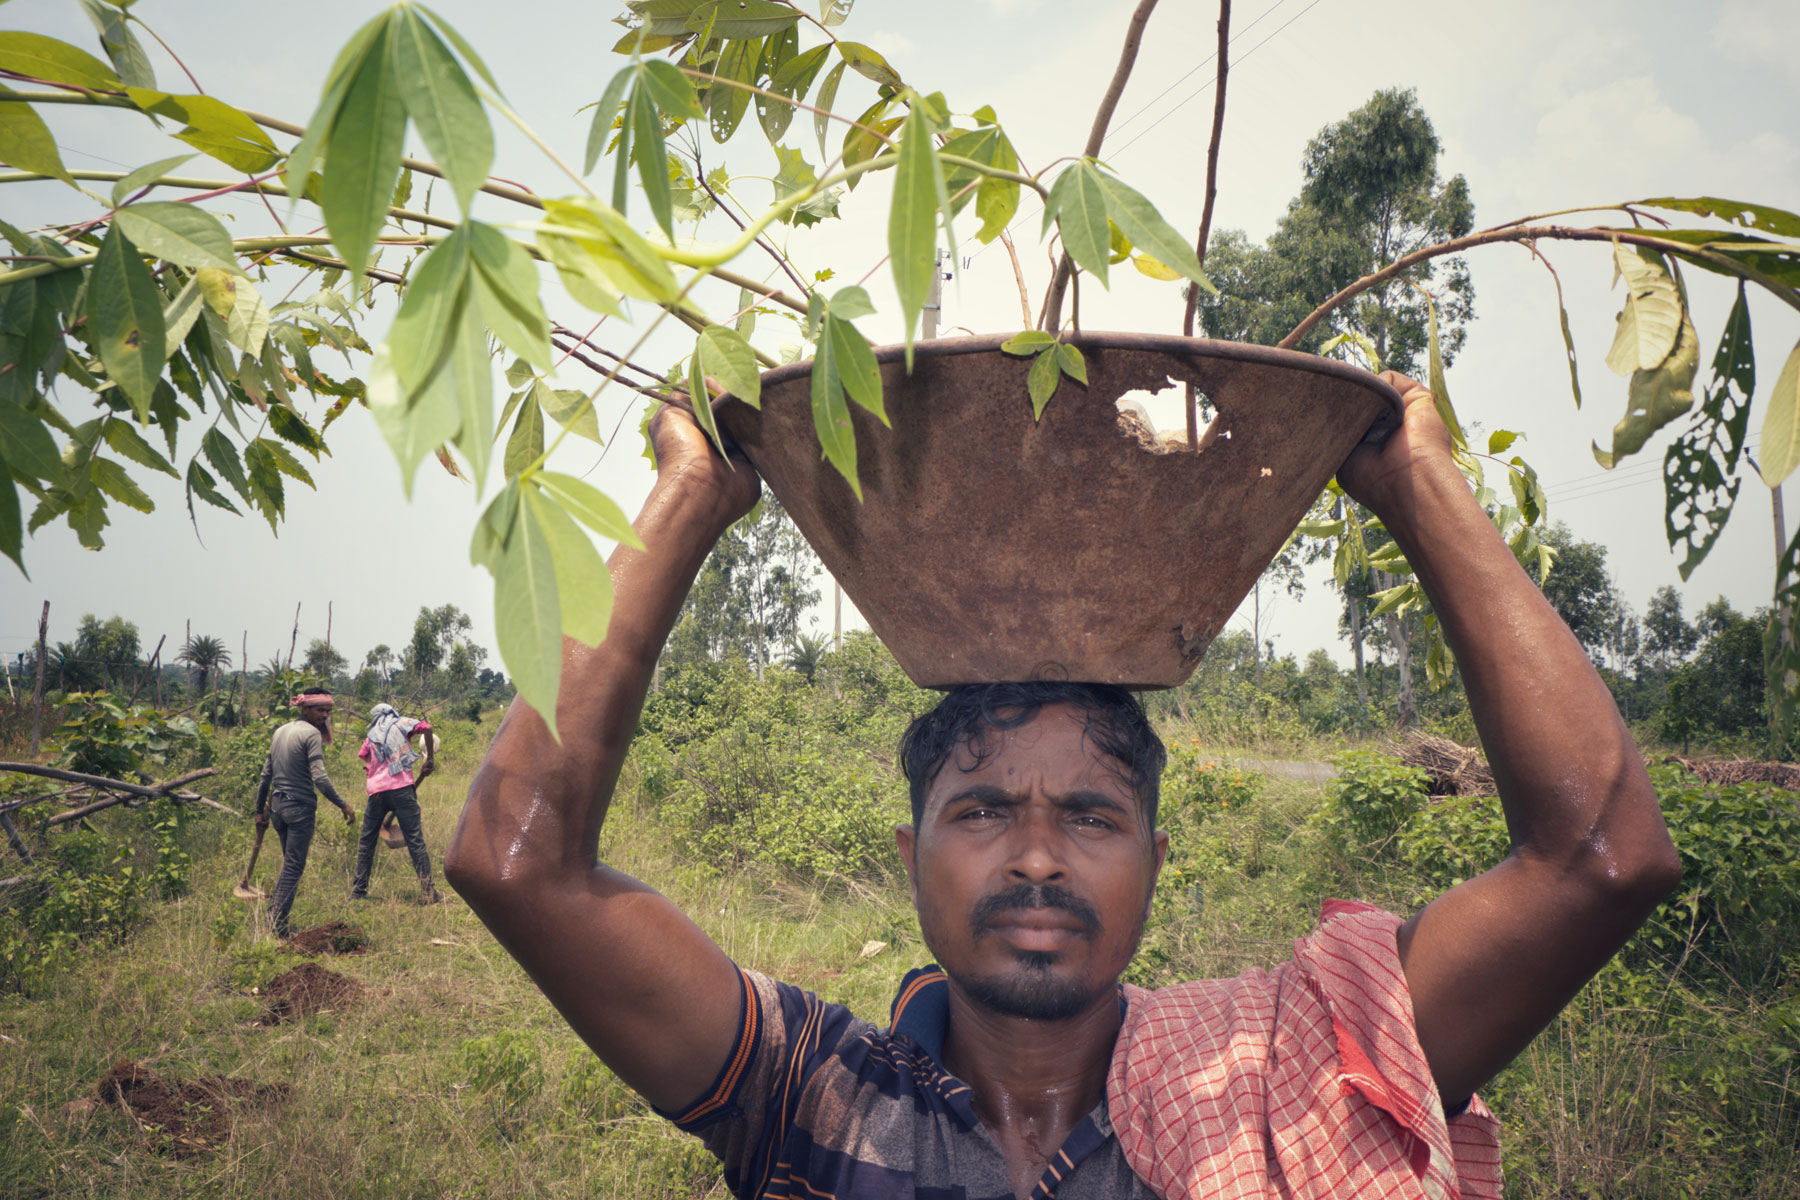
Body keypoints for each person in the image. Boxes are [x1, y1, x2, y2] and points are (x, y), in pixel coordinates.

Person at [446, 375, 1681, 1199]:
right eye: (982, 810)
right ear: (906, 852)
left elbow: (1600, 858)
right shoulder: (808, 1087)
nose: (1037, 857)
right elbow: (517, 863)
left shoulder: (1282, 1072)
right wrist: (686, 495)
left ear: (1158, 858)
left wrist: (1418, 482)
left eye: (1091, 816)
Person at [254, 687, 355, 938]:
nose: (324, 716)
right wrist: (342, 804)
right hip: (298, 808)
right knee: (293, 867)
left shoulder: (280, 731)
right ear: (305, 709)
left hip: (277, 806)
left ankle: (273, 918)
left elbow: (266, 775)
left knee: (290, 865)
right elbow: (319, 777)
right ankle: (277, 927)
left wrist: (261, 810)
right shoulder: (310, 734)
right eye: (320, 710)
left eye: (328, 711)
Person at [349, 702, 442, 903]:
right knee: (415, 840)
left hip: (376, 793)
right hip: (402, 790)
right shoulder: (400, 724)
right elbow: (426, 727)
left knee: (367, 842)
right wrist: (430, 760)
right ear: (391, 712)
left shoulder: (371, 735)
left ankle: (358, 892)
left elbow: (366, 759)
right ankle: (428, 892)